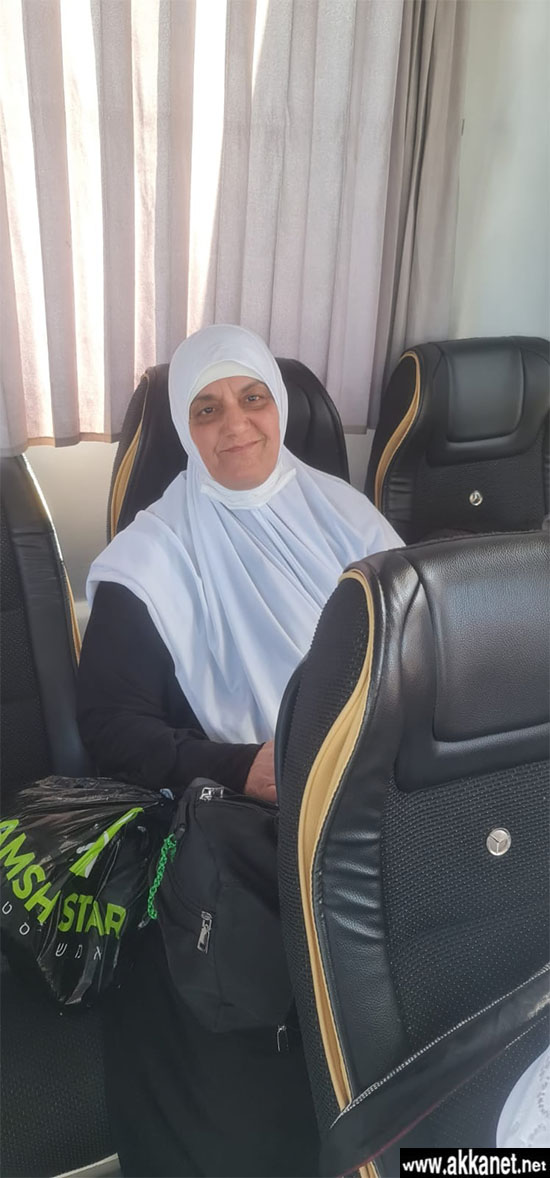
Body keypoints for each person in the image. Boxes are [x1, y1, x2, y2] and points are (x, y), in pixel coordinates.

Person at [77, 324, 402, 1178]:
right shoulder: (152, 555)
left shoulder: (348, 515)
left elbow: (421, 650)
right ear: (184, 431)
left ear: (280, 405)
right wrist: (243, 767)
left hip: (379, 802)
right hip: (246, 832)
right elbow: (111, 730)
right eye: (207, 409)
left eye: (253, 398)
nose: (236, 425)